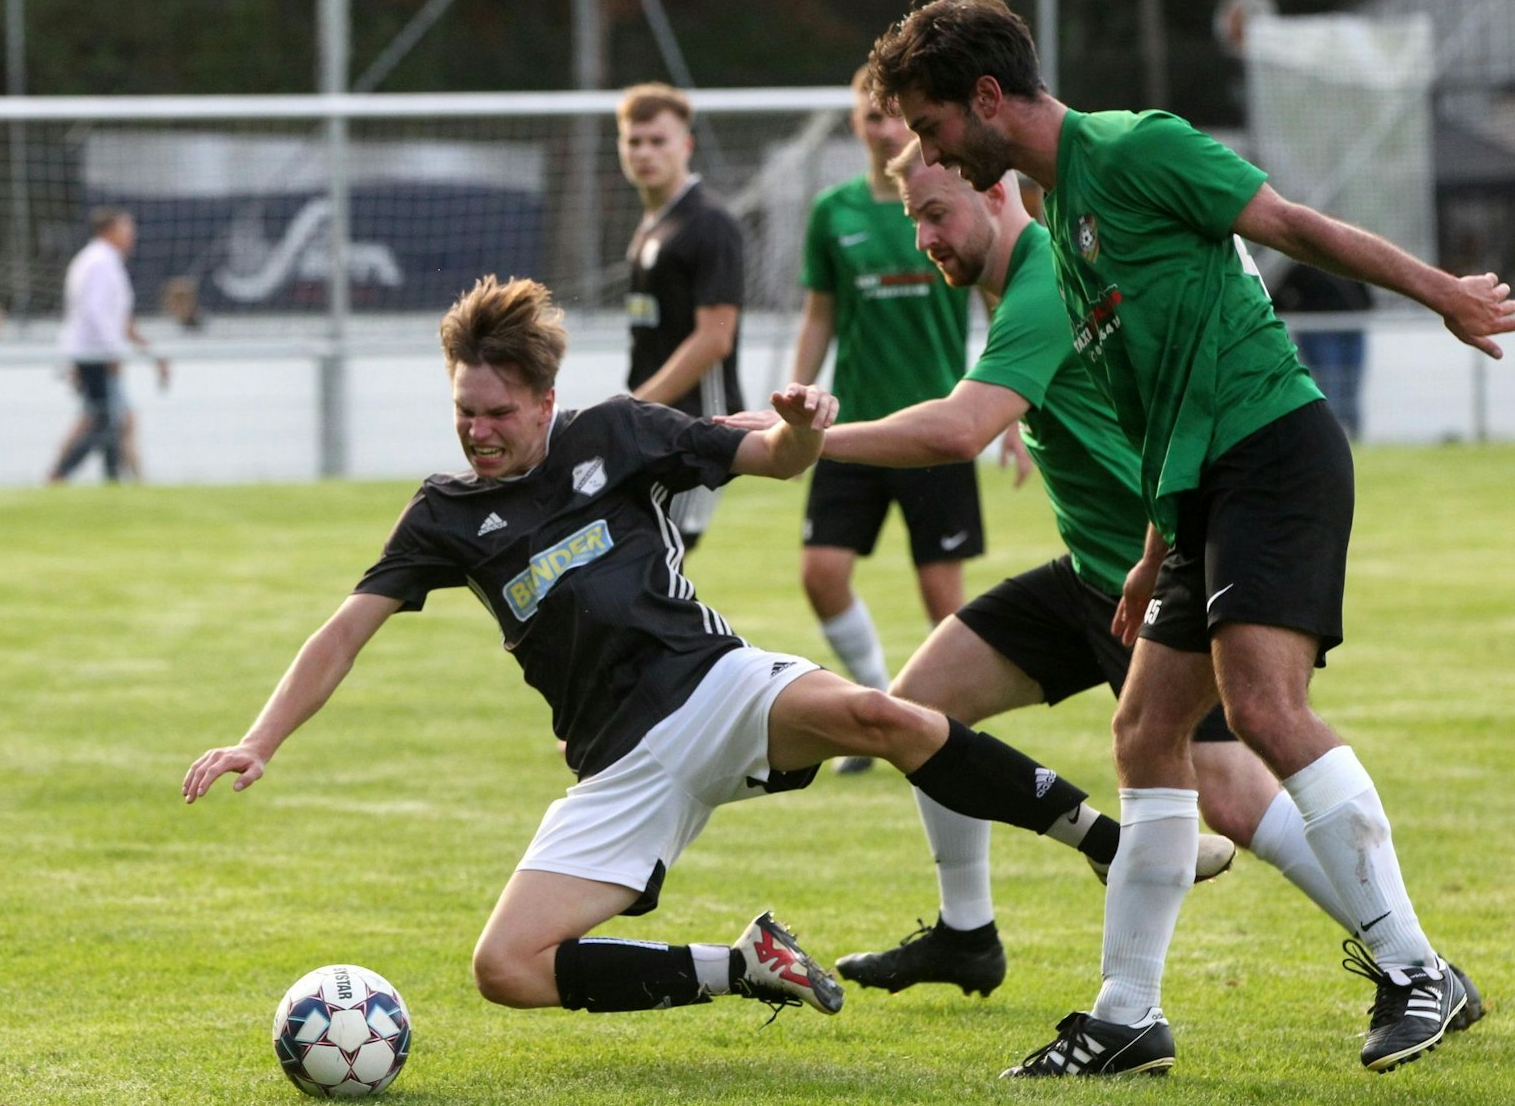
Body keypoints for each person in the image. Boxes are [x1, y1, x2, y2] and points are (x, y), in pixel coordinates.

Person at [185, 275, 1187, 1028]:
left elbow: (764, 456)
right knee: (507, 967)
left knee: (878, 714)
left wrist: (800, 432)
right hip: (619, 766)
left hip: (714, 688)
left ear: (543, 400)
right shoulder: (444, 516)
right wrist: (258, 738)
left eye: (496, 412)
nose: (478, 432)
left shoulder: (616, 433)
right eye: (464, 412)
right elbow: (342, 632)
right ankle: (742, 966)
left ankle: (1104, 845)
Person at [868, 0, 1512, 1075]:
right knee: (1140, 735)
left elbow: (1294, 228)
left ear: (985, 97)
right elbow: (1155, 409)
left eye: (930, 128)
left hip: (1274, 447)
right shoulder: (1062, 225)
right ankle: (1126, 1018)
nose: (926, 151)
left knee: (1263, 707)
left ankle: (1417, 971)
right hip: (1200, 491)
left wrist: (1440, 292)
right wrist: (1153, 553)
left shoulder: (1133, 148)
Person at [733, 146, 1422, 1008]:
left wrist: (796, 442)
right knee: (916, 710)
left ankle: (1411, 960)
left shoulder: (1046, 275)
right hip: (1100, 570)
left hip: (1153, 574)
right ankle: (969, 932)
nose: (922, 237)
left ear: (994, 187)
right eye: (912, 218)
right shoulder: (1018, 279)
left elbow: (958, 428)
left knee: (1238, 800)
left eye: (935, 212)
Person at [789, 64, 987, 772]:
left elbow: (996, 300)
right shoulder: (832, 212)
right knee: (821, 571)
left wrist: (1016, 413)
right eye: (869, 116)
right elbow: (820, 317)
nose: (882, 128)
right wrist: (795, 397)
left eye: (892, 116)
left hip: (937, 429)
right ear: (855, 124)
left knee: (942, 595)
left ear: (913, 120)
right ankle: (875, 694)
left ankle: (951, 735)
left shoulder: (949, 198)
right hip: (854, 431)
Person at [617, 83, 746, 552]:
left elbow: (715, 338)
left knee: (651, 559)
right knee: (634, 566)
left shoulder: (709, 224)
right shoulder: (651, 225)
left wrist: (632, 407)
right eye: (634, 141)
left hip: (695, 430)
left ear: (685, 145)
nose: (645, 152)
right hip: (653, 426)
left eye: (658, 140)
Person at [48, 208, 169, 484]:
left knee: (106, 419)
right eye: (127, 229)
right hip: (94, 354)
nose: (132, 236)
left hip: (92, 352)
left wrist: (149, 351)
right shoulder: (101, 263)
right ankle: (62, 475)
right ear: (109, 231)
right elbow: (95, 312)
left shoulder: (102, 261)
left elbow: (117, 319)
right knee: (109, 419)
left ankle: (116, 479)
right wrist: (110, 351)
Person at [1274, 263, 1373, 440]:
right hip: (1320, 332)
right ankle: (1333, 438)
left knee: (1350, 386)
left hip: (1351, 328)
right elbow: (1279, 298)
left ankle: (1353, 437)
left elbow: (1366, 297)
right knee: (1331, 386)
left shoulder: (1347, 263)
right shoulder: (1304, 269)